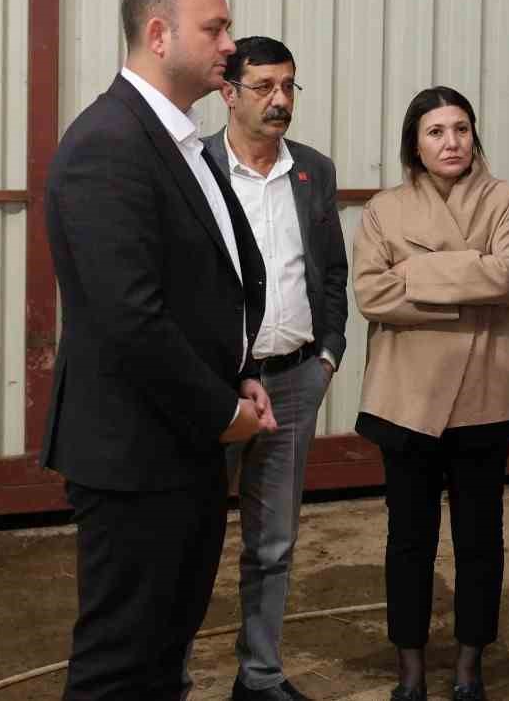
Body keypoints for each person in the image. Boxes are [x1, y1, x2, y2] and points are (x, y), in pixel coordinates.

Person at [41, 0, 275, 700]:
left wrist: (240, 373)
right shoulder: (108, 144)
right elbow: (129, 318)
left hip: (184, 443)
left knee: (163, 650)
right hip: (137, 454)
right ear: (158, 34)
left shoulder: (178, 140)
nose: (230, 44)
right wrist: (222, 412)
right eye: (215, 28)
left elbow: (205, 286)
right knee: (121, 663)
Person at [352, 86, 509, 701]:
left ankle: (469, 664)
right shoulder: (384, 209)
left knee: (479, 539)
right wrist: (467, 275)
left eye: (461, 128)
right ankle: (410, 667)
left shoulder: (508, 200)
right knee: (409, 539)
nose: (451, 142)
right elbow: (370, 294)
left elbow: (503, 278)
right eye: (435, 132)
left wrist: (411, 273)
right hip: (405, 398)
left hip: (486, 392)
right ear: (415, 144)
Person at [202, 36, 350, 701]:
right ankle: (168, 677)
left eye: (288, 85)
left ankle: (259, 677)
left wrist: (328, 356)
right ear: (228, 93)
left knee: (274, 544)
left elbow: (332, 272)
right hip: (215, 390)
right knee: (190, 542)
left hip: (293, 383)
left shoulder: (312, 171)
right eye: (263, 86)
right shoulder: (196, 168)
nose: (280, 99)